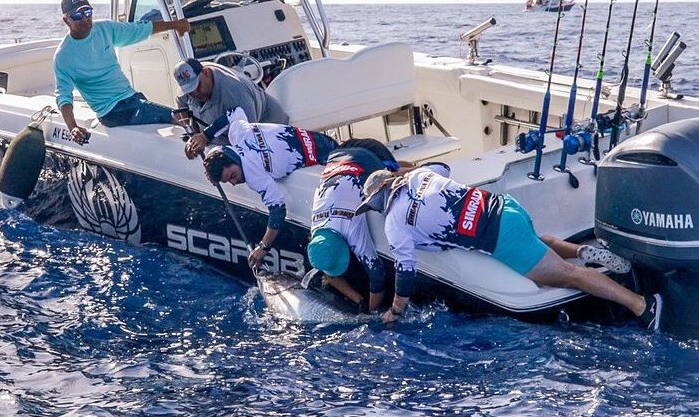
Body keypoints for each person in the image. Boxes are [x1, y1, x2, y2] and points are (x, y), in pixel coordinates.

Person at [355, 163, 663, 330]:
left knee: (565, 275)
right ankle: (583, 250)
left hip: (500, 236)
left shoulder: (394, 223)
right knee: (538, 243)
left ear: (382, 193)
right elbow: (443, 168)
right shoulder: (421, 174)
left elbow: (405, 274)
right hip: (507, 207)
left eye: (372, 204)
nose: (375, 209)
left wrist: (396, 311)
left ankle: (641, 304)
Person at [192, 106, 337, 268]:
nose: (234, 183)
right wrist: (206, 135)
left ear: (232, 160)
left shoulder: (254, 175)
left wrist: (263, 248)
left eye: (232, 176)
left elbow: (278, 209)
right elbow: (234, 112)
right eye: (228, 182)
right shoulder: (239, 133)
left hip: (328, 157)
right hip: (322, 139)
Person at [54, 0, 191, 144]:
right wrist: (72, 127)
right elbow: (64, 96)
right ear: (66, 20)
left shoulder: (103, 29)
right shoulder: (63, 56)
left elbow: (137, 29)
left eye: (88, 13)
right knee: (179, 116)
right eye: (77, 16)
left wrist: (175, 25)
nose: (85, 19)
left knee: (177, 113)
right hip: (111, 112)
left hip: (133, 98)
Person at [307, 139, 414, 313]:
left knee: (398, 174)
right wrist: (358, 299)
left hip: (371, 154)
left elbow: (377, 276)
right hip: (337, 155)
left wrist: (371, 313)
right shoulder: (317, 233)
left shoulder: (351, 228)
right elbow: (326, 269)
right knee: (387, 172)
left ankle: (421, 169)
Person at [173, 58, 289, 144]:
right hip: (221, 131)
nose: (194, 93)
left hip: (268, 125)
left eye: (197, 86)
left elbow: (247, 138)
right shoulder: (188, 87)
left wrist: (205, 137)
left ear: (206, 72)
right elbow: (181, 104)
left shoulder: (235, 92)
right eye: (189, 90)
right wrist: (193, 133)